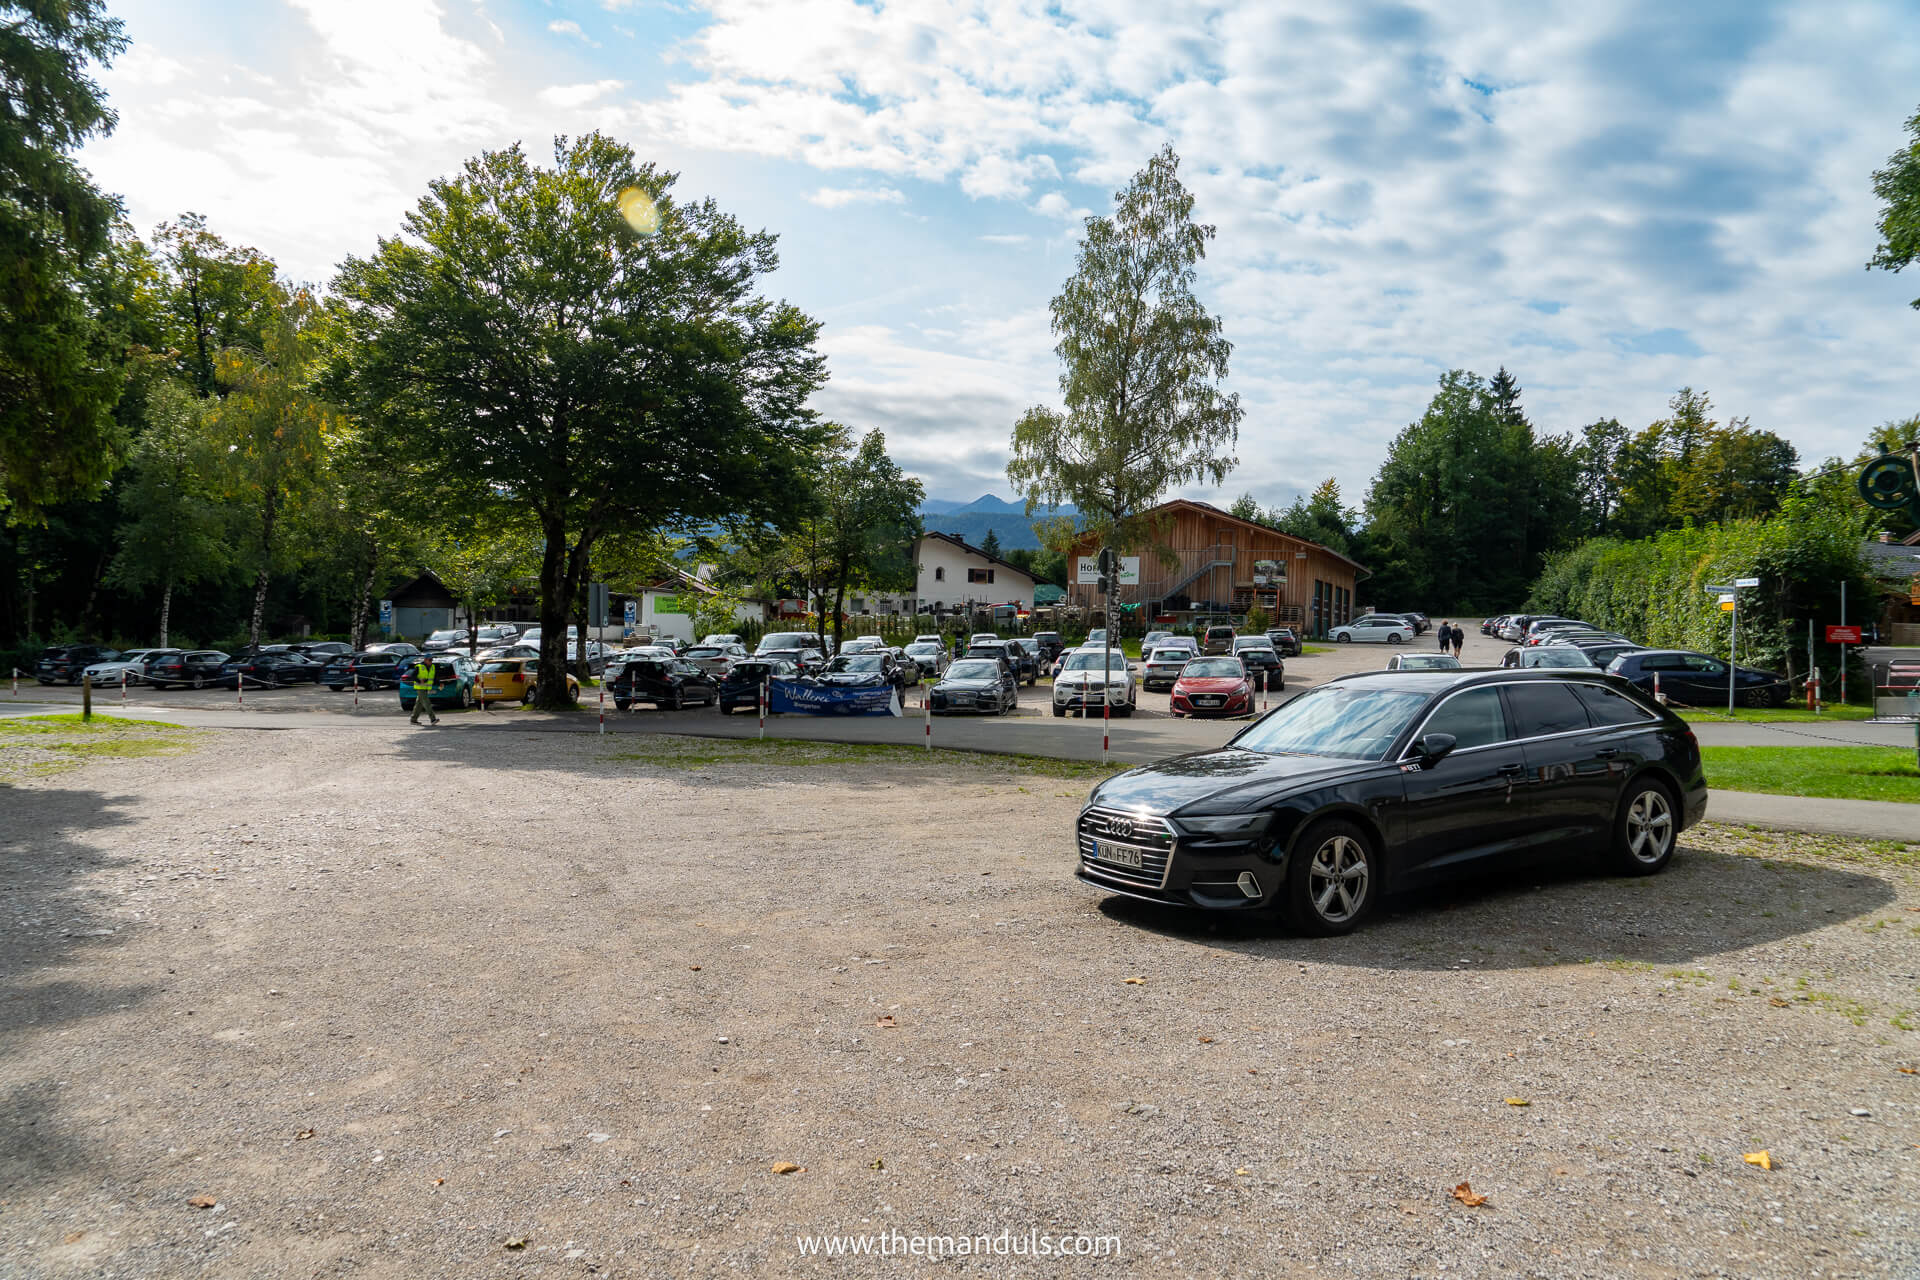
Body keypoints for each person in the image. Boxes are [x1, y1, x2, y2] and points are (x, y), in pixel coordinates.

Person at [407, 659, 439, 726]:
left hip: (426, 688)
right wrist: (419, 680)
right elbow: (412, 676)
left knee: (419, 704)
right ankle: (433, 719)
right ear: (425, 660)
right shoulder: (419, 667)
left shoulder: (432, 667)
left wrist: (439, 683)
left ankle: (413, 720)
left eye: (431, 660)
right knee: (427, 703)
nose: (431, 661)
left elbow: (434, 678)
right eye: (429, 660)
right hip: (420, 688)